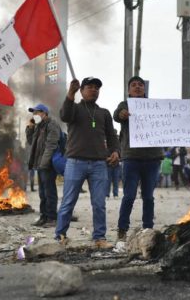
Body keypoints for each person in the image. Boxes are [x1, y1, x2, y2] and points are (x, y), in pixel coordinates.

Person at [55, 77, 120, 249]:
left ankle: (99, 237)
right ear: (82, 90)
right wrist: (70, 93)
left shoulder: (104, 113)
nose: (93, 90)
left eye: (96, 88)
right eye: (89, 87)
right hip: (75, 162)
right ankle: (60, 236)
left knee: (99, 204)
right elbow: (64, 115)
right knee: (68, 202)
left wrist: (115, 151)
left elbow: (112, 136)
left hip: (99, 164)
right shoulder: (74, 108)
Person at [114, 76, 164, 241]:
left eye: (140, 85)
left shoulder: (154, 106)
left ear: (144, 89)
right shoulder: (125, 105)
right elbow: (116, 115)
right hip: (131, 158)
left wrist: (187, 115)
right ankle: (122, 229)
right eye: (133, 85)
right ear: (129, 90)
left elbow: (172, 118)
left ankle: (148, 229)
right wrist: (122, 114)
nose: (137, 87)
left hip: (152, 158)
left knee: (148, 196)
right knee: (129, 196)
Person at [26, 103, 61, 228]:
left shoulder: (52, 125)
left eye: (37, 112)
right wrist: (29, 128)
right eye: (33, 113)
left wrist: (44, 163)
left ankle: (52, 218)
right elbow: (31, 142)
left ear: (44, 113)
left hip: (48, 164)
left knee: (49, 191)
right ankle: (44, 216)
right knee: (42, 192)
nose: (35, 115)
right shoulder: (38, 127)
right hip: (40, 164)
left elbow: (51, 145)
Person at [106, 129, 122, 199]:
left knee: (116, 181)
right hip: (108, 165)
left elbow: (121, 155)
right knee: (108, 181)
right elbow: (103, 155)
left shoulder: (119, 145)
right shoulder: (106, 144)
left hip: (117, 165)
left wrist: (118, 159)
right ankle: (107, 195)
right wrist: (109, 159)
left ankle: (115, 194)